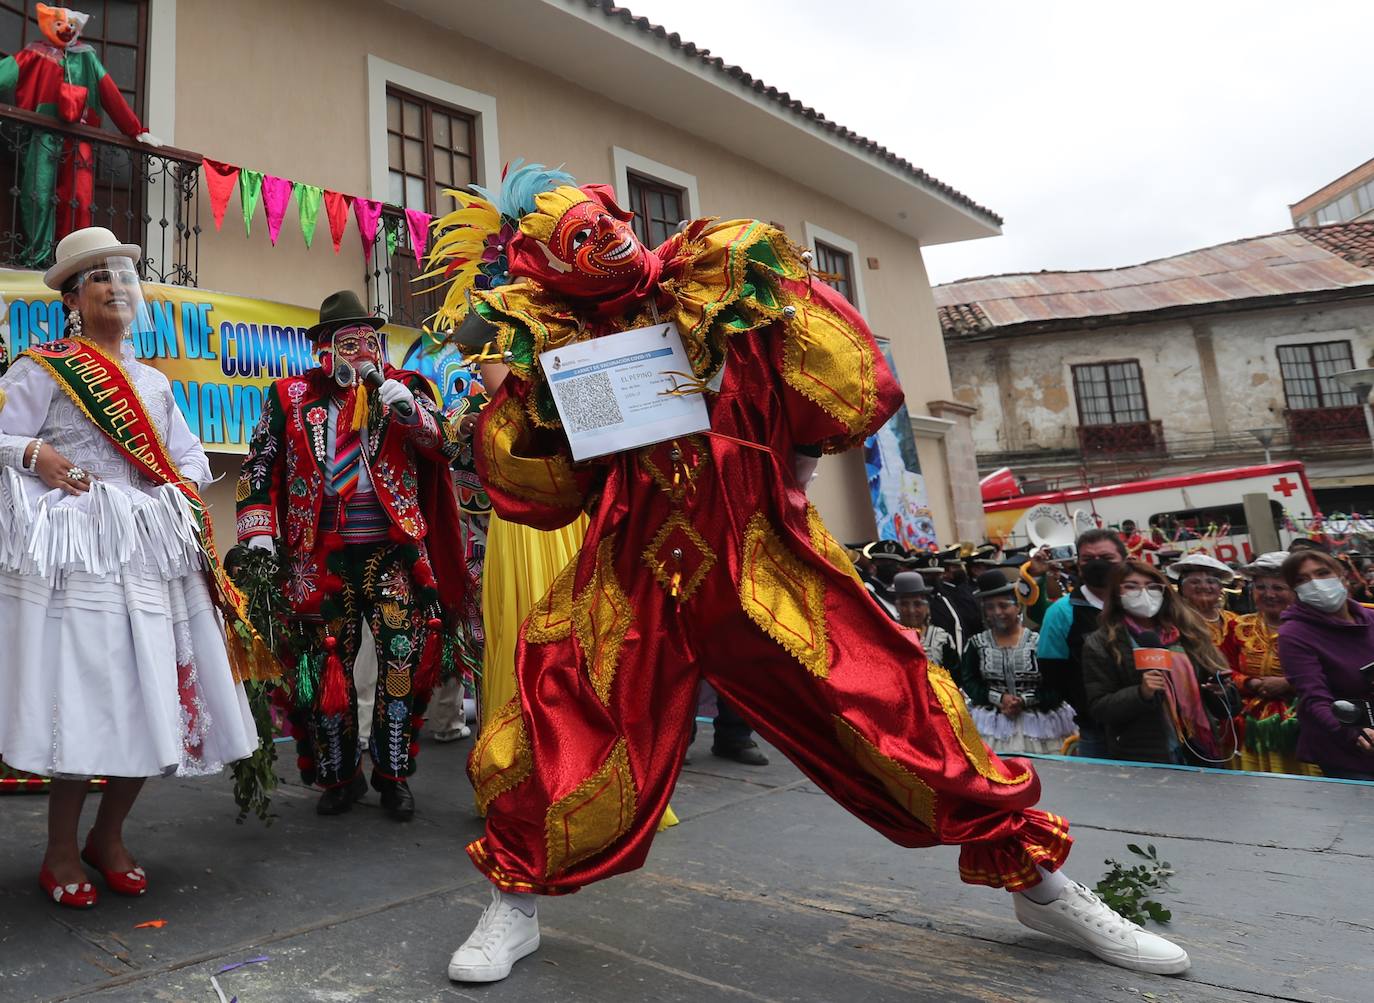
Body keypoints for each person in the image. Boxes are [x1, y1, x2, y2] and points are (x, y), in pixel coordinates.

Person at [433, 177, 1188, 981]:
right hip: (636, 572)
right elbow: (547, 490)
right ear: (548, 266)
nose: (608, 241)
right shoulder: (559, 343)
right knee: (562, 718)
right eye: (576, 243)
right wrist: (534, 398)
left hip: (767, 560)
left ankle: (1039, 884)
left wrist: (781, 446)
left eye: (605, 222)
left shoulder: (723, 280)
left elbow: (840, 400)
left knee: (896, 705)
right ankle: (512, 902)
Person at [0, 227, 262, 907]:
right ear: (72, 299)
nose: (115, 287)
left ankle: (108, 835)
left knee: (155, 701)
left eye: (121, 276)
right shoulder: (44, 366)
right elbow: (2, 434)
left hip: (148, 554)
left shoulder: (153, 381)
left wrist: (177, 484)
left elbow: (192, 458)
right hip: (82, 555)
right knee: (86, 701)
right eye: (98, 279)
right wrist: (37, 456)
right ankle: (60, 848)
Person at [235, 290, 465, 821]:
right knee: (324, 668)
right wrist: (259, 534)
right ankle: (340, 777)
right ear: (324, 348)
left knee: (400, 664)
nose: (360, 352)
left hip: (393, 555)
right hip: (317, 557)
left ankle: (393, 776)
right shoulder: (290, 396)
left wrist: (412, 416)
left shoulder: (405, 389)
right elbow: (257, 466)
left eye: (368, 341)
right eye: (348, 342)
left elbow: (445, 448)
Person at [1081, 561, 1236, 766]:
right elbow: (1099, 708)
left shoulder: (1190, 633)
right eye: (1131, 586)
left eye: (1152, 586)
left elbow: (1229, 706)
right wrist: (1141, 693)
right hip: (1144, 754)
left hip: (1200, 751)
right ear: (1117, 594)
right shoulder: (1101, 643)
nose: (1143, 593)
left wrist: (1220, 691)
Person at [1276, 550, 1374, 781]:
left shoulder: (1370, 618)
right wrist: (1357, 733)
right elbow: (1315, 699)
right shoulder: (1294, 634)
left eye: (1322, 573)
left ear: (1342, 575)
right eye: (1303, 580)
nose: (1316, 584)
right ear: (1295, 591)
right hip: (1349, 749)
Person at [1224, 552, 1320, 777]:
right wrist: (1252, 682)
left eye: (1278, 588)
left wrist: (1288, 684)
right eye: (1260, 587)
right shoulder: (1237, 626)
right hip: (1251, 726)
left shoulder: (1314, 626)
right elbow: (1224, 670)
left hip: (1306, 722)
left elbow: (1332, 671)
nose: (1269, 594)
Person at [960, 572, 1076, 754]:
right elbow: (969, 681)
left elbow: (1057, 685)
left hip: (1042, 727)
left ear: (1018, 607)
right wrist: (999, 698)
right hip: (991, 726)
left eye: (1004, 606)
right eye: (990, 608)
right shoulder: (977, 644)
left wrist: (1024, 701)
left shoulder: (1039, 642)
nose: (997, 612)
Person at [1037, 530, 1128, 758]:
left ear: (1124, 561)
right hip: (1096, 731)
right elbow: (1052, 674)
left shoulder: (1142, 602)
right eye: (1088, 559)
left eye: (1107, 559)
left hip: (1151, 726)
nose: (1097, 564)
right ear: (1078, 564)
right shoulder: (1060, 613)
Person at [1168, 553, 1238, 649]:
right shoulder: (1175, 622)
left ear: (1220, 588)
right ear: (1181, 588)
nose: (1204, 587)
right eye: (1194, 582)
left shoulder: (1234, 620)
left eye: (1211, 582)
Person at [893, 571, 959, 670]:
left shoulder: (941, 639)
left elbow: (955, 678)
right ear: (897, 607)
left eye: (917, 604)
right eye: (904, 604)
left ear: (927, 607)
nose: (911, 611)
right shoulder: (889, 636)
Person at [936, 546, 984, 640]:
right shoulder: (945, 593)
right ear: (945, 572)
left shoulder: (964, 588)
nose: (961, 570)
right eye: (956, 567)